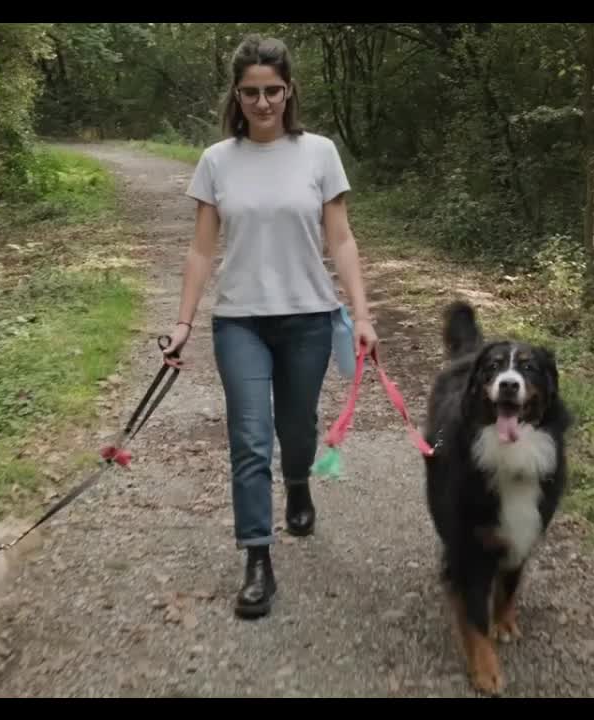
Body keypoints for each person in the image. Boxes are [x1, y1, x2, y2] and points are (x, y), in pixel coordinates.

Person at [159, 34, 379, 620]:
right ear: (237, 94)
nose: (263, 103)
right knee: (250, 441)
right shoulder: (216, 160)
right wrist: (183, 322)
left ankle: (300, 483)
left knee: (297, 429)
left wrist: (361, 314)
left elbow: (342, 238)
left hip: (309, 316)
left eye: (273, 91)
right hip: (240, 324)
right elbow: (202, 251)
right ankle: (257, 557)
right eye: (251, 92)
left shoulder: (319, 153)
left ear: (289, 91)